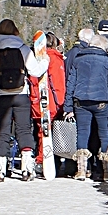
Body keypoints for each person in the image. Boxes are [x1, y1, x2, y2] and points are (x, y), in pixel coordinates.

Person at [0, 19, 42, 182]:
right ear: (16, 32)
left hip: (1, 96)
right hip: (21, 95)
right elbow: (35, 71)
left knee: (2, 131)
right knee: (23, 130)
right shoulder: (23, 49)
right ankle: (27, 167)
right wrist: (45, 61)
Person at [63, 33, 108, 181]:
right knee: (104, 135)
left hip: (81, 101)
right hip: (102, 102)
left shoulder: (78, 59)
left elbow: (71, 84)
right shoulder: (107, 61)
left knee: (82, 134)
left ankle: (81, 170)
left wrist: (68, 107)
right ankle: (107, 172)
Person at [27, 31, 67, 175]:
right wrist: (61, 104)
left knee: (41, 132)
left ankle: (41, 159)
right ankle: (44, 160)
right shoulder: (56, 59)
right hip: (51, 102)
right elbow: (58, 83)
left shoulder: (36, 58)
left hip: (37, 100)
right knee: (47, 132)